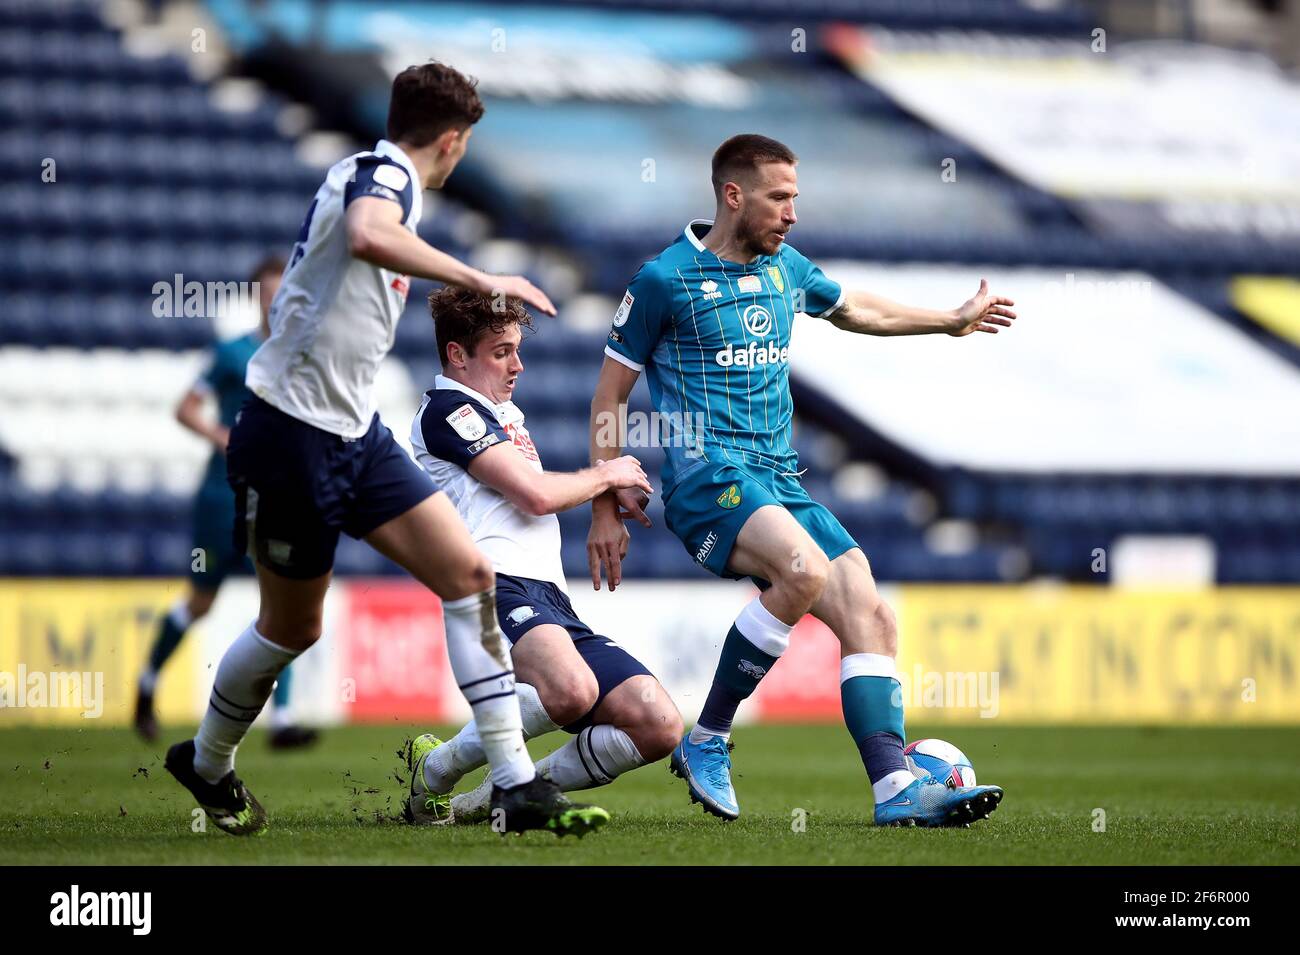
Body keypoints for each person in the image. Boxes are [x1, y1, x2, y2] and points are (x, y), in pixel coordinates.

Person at [165, 62, 605, 838]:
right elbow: (371, 234)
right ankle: (207, 761)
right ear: (454, 142)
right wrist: (479, 273)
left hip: (351, 432)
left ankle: (515, 786)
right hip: (290, 433)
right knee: (290, 627)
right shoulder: (383, 176)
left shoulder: (376, 180)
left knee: (468, 574)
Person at [587, 134, 1013, 827]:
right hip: (707, 478)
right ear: (733, 195)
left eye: (795, 198)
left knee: (871, 613)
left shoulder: (786, 267)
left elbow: (853, 308)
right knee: (804, 569)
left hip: (778, 478)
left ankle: (894, 788)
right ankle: (707, 738)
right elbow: (610, 397)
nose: (791, 213)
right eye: (779, 197)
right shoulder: (664, 279)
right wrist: (605, 495)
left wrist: (947, 321)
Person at [402, 287, 683, 827]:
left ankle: (480, 803)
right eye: (501, 352)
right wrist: (610, 472)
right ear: (458, 355)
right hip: (493, 583)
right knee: (570, 690)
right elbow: (532, 494)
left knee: (658, 724)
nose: (518, 365)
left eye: (517, 350)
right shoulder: (448, 411)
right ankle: (436, 770)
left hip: (548, 594)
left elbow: (541, 492)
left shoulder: (501, 413)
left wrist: (605, 502)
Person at [134, 255, 317, 750]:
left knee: (284, 601)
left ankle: (282, 721)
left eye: (283, 292)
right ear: (256, 296)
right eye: (267, 292)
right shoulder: (233, 353)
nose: (275, 301)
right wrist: (224, 437)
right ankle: (148, 683)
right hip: (222, 497)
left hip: (277, 497)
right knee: (201, 601)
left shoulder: (301, 355)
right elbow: (185, 408)